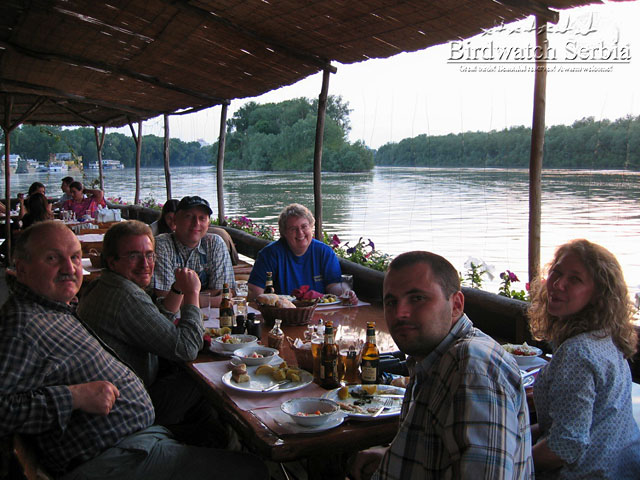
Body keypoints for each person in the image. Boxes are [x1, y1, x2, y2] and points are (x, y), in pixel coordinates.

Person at [0, 221, 269, 479]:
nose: (69, 268)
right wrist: (73, 397)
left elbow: (158, 326)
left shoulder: (52, 308)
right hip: (113, 457)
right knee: (252, 470)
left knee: (210, 418)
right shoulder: (22, 326)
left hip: (133, 437)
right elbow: (185, 347)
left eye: (73, 257)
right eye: (52, 258)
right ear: (21, 269)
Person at [350, 251, 533, 480]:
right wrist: (395, 458)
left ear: (456, 305)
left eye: (417, 298)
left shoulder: (473, 365)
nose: (400, 313)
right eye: (391, 301)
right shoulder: (431, 358)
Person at [78, 220, 227, 446]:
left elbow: (154, 326)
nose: (145, 264)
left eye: (149, 255)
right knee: (208, 381)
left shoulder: (104, 285)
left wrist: (177, 289)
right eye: (133, 256)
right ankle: (219, 448)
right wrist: (192, 294)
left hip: (121, 394)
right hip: (129, 406)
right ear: (112, 261)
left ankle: (210, 440)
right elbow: (186, 348)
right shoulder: (125, 296)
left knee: (202, 402)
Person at [528, 239, 640, 478]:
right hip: (624, 467)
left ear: (599, 294)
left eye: (575, 279)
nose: (558, 285)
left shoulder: (577, 352)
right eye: (556, 273)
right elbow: (573, 424)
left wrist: (511, 461)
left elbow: (564, 446)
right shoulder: (606, 336)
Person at [248, 203, 357, 302]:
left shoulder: (324, 252)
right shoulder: (269, 254)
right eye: (293, 229)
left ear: (311, 227)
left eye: (304, 226)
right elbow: (255, 291)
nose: (300, 233)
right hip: (283, 313)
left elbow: (333, 285)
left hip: (318, 313)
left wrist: (346, 292)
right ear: (284, 233)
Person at [153, 196, 236, 308]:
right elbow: (165, 298)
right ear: (175, 220)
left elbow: (224, 291)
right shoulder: (162, 244)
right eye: (189, 217)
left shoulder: (214, 243)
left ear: (208, 224)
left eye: (202, 218)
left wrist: (182, 298)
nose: (196, 223)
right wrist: (213, 300)